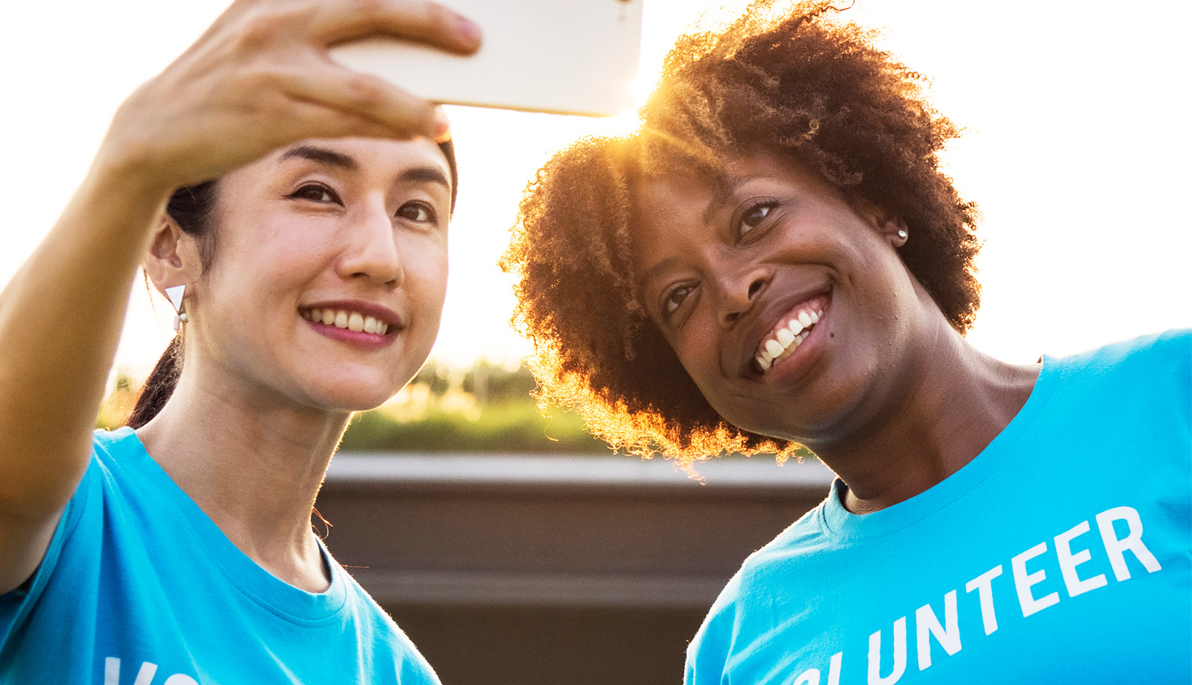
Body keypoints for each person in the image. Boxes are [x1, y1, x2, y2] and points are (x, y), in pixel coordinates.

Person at [501, 1, 1190, 682]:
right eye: (680, 297)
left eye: (755, 217)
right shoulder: (739, 648)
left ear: (877, 203)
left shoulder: (1169, 398)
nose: (735, 289)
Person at [0, 0, 482, 681]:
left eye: (415, 210)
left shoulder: (395, 670)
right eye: (317, 192)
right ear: (167, 245)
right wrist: (132, 159)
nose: (381, 255)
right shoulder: (72, 517)